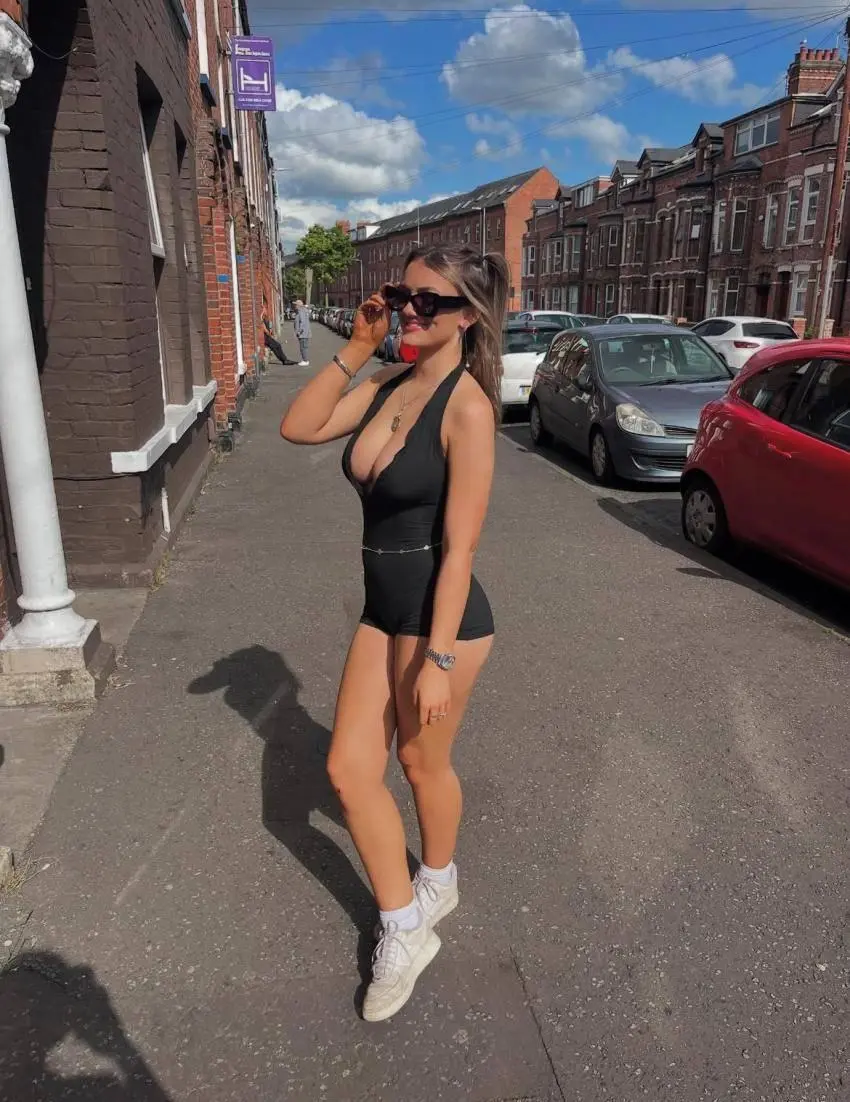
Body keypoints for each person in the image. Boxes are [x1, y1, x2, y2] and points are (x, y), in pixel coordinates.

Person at [280, 245, 507, 1022]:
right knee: (348, 772)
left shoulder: (468, 409)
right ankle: (405, 925)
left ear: (467, 318)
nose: (410, 310)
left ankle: (438, 877)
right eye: (402, 295)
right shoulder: (386, 384)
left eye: (428, 303)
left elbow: (462, 550)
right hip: (383, 607)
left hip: (441, 618)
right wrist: (357, 347)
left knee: (418, 760)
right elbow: (299, 426)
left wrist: (437, 659)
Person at [293, 298, 311, 365]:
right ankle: (304, 360)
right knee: (303, 347)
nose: (295, 306)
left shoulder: (301, 312)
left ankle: (305, 360)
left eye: (296, 305)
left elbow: (302, 323)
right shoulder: (301, 311)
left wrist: (299, 332)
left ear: (298, 305)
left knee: (303, 347)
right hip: (303, 333)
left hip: (303, 334)